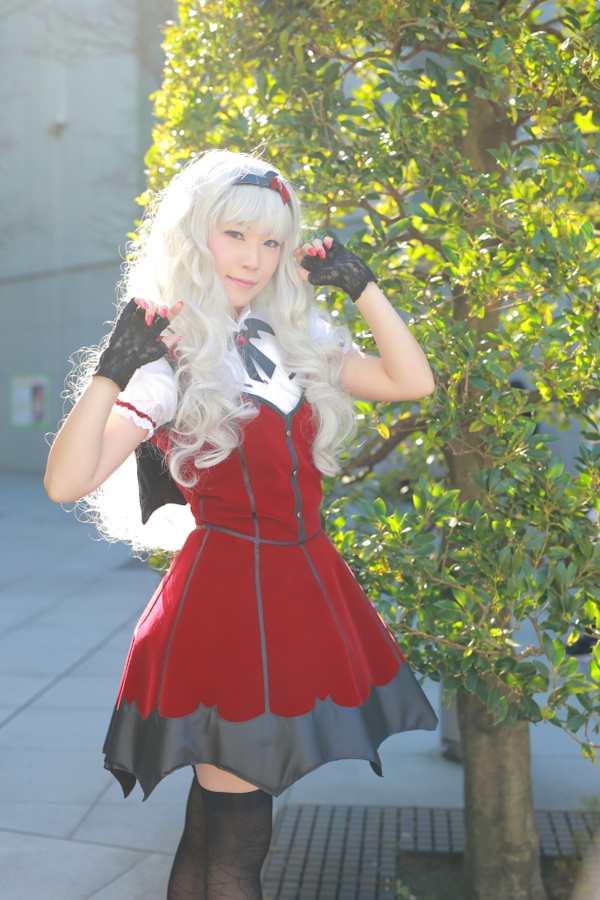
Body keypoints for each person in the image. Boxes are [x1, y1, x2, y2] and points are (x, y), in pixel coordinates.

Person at [44, 150, 438, 900]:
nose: (254, 260)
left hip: (300, 596)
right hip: (222, 614)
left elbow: (410, 379)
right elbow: (66, 482)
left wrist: (364, 290)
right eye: (235, 235)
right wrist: (111, 371)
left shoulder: (296, 338)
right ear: (195, 235)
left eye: (271, 242)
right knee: (238, 837)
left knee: (214, 828)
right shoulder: (168, 363)